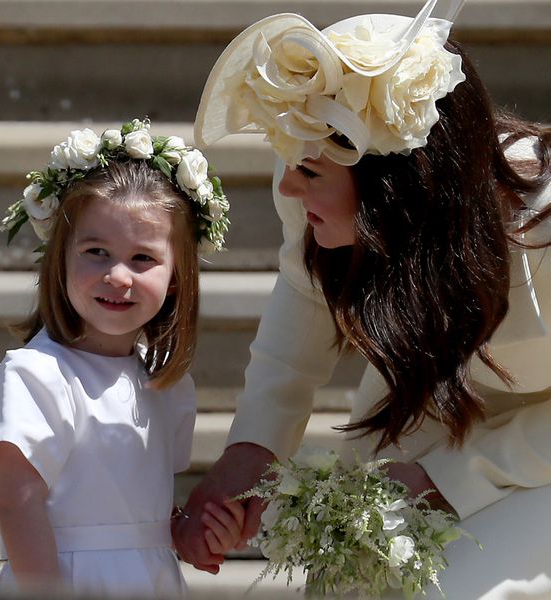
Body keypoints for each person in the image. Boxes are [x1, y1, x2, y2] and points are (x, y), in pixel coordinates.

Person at [173, 0, 551, 597]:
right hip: (430, 399)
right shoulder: (308, 182)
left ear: (399, 185)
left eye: (312, 172)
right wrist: (250, 452)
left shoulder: (543, 232)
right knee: (359, 579)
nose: (290, 186)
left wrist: (449, 478)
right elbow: (304, 297)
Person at [0, 119, 239, 597]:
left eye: (143, 258)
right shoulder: (37, 376)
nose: (118, 276)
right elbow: (18, 506)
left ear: (177, 276)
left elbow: (136, 513)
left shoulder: (165, 384)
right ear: (61, 259)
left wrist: (183, 533)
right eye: (96, 251)